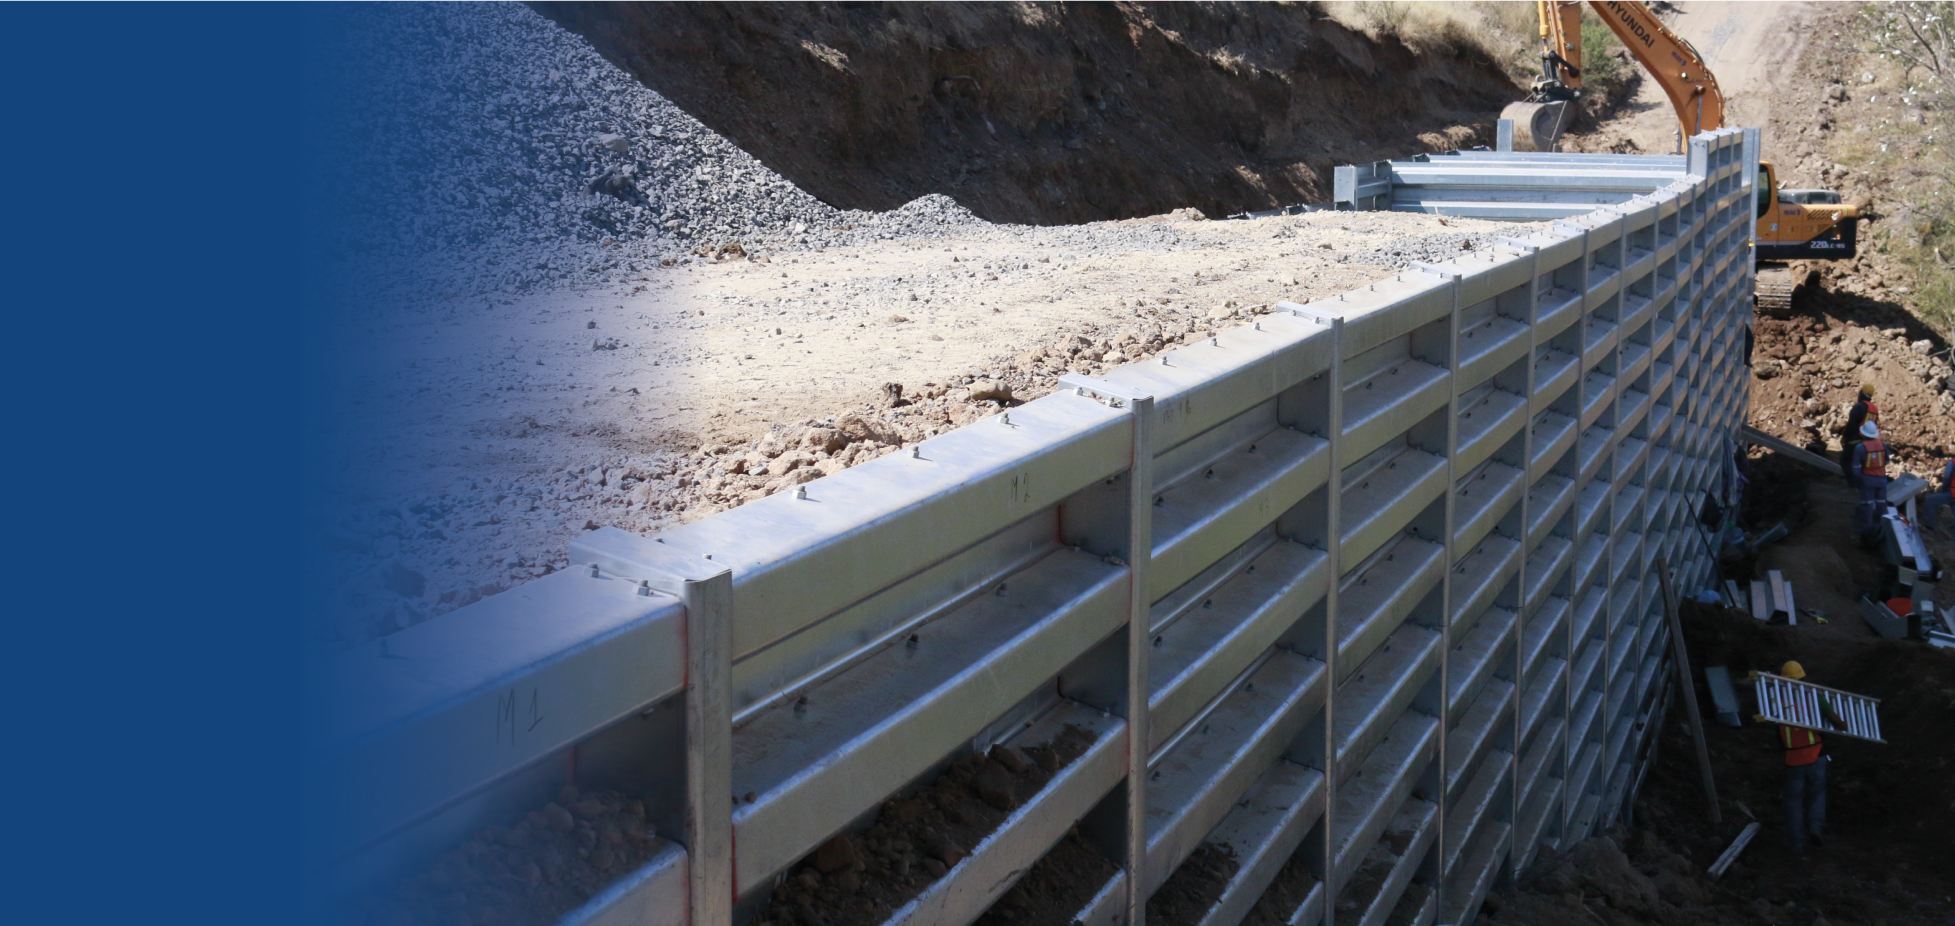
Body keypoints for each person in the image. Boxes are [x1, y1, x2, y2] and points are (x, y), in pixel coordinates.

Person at [1774, 661, 1845, 855]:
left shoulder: (1776, 702)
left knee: (1794, 802)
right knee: (1817, 794)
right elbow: (1836, 721)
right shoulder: (1815, 698)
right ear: (1803, 677)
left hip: (1793, 759)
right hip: (1816, 756)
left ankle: (1796, 844)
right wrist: (1844, 725)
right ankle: (1815, 828)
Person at [1851, 421, 1889, 536]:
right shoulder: (1883, 444)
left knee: (1867, 504)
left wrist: (1857, 481)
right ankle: (1878, 528)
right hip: (1882, 479)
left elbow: (1856, 467)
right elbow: (1886, 460)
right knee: (1881, 504)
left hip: (1867, 480)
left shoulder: (1860, 447)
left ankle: (1866, 531)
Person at [1839, 384, 1880, 487]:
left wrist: (1845, 437)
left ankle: (1853, 484)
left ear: (1861, 394)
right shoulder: (1874, 409)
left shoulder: (1859, 407)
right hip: (1867, 441)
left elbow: (1852, 424)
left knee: (1845, 461)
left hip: (1855, 439)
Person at [1925, 454, 1954, 538]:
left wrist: (1943, 488)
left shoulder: (1952, 463)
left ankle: (1929, 526)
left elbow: (1946, 478)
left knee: (1930, 501)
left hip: (1952, 492)